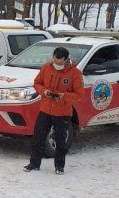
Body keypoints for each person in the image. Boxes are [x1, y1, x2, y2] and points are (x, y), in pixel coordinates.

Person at [24, 47, 84, 175]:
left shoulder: (75, 73)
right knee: (38, 138)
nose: (57, 64)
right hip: (45, 109)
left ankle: (59, 166)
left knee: (60, 141)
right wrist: (44, 91)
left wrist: (64, 95)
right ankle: (34, 164)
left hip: (62, 113)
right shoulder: (46, 67)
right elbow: (37, 83)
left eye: (60, 62)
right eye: (55, 61)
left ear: (66, 60)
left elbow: (79, 95)